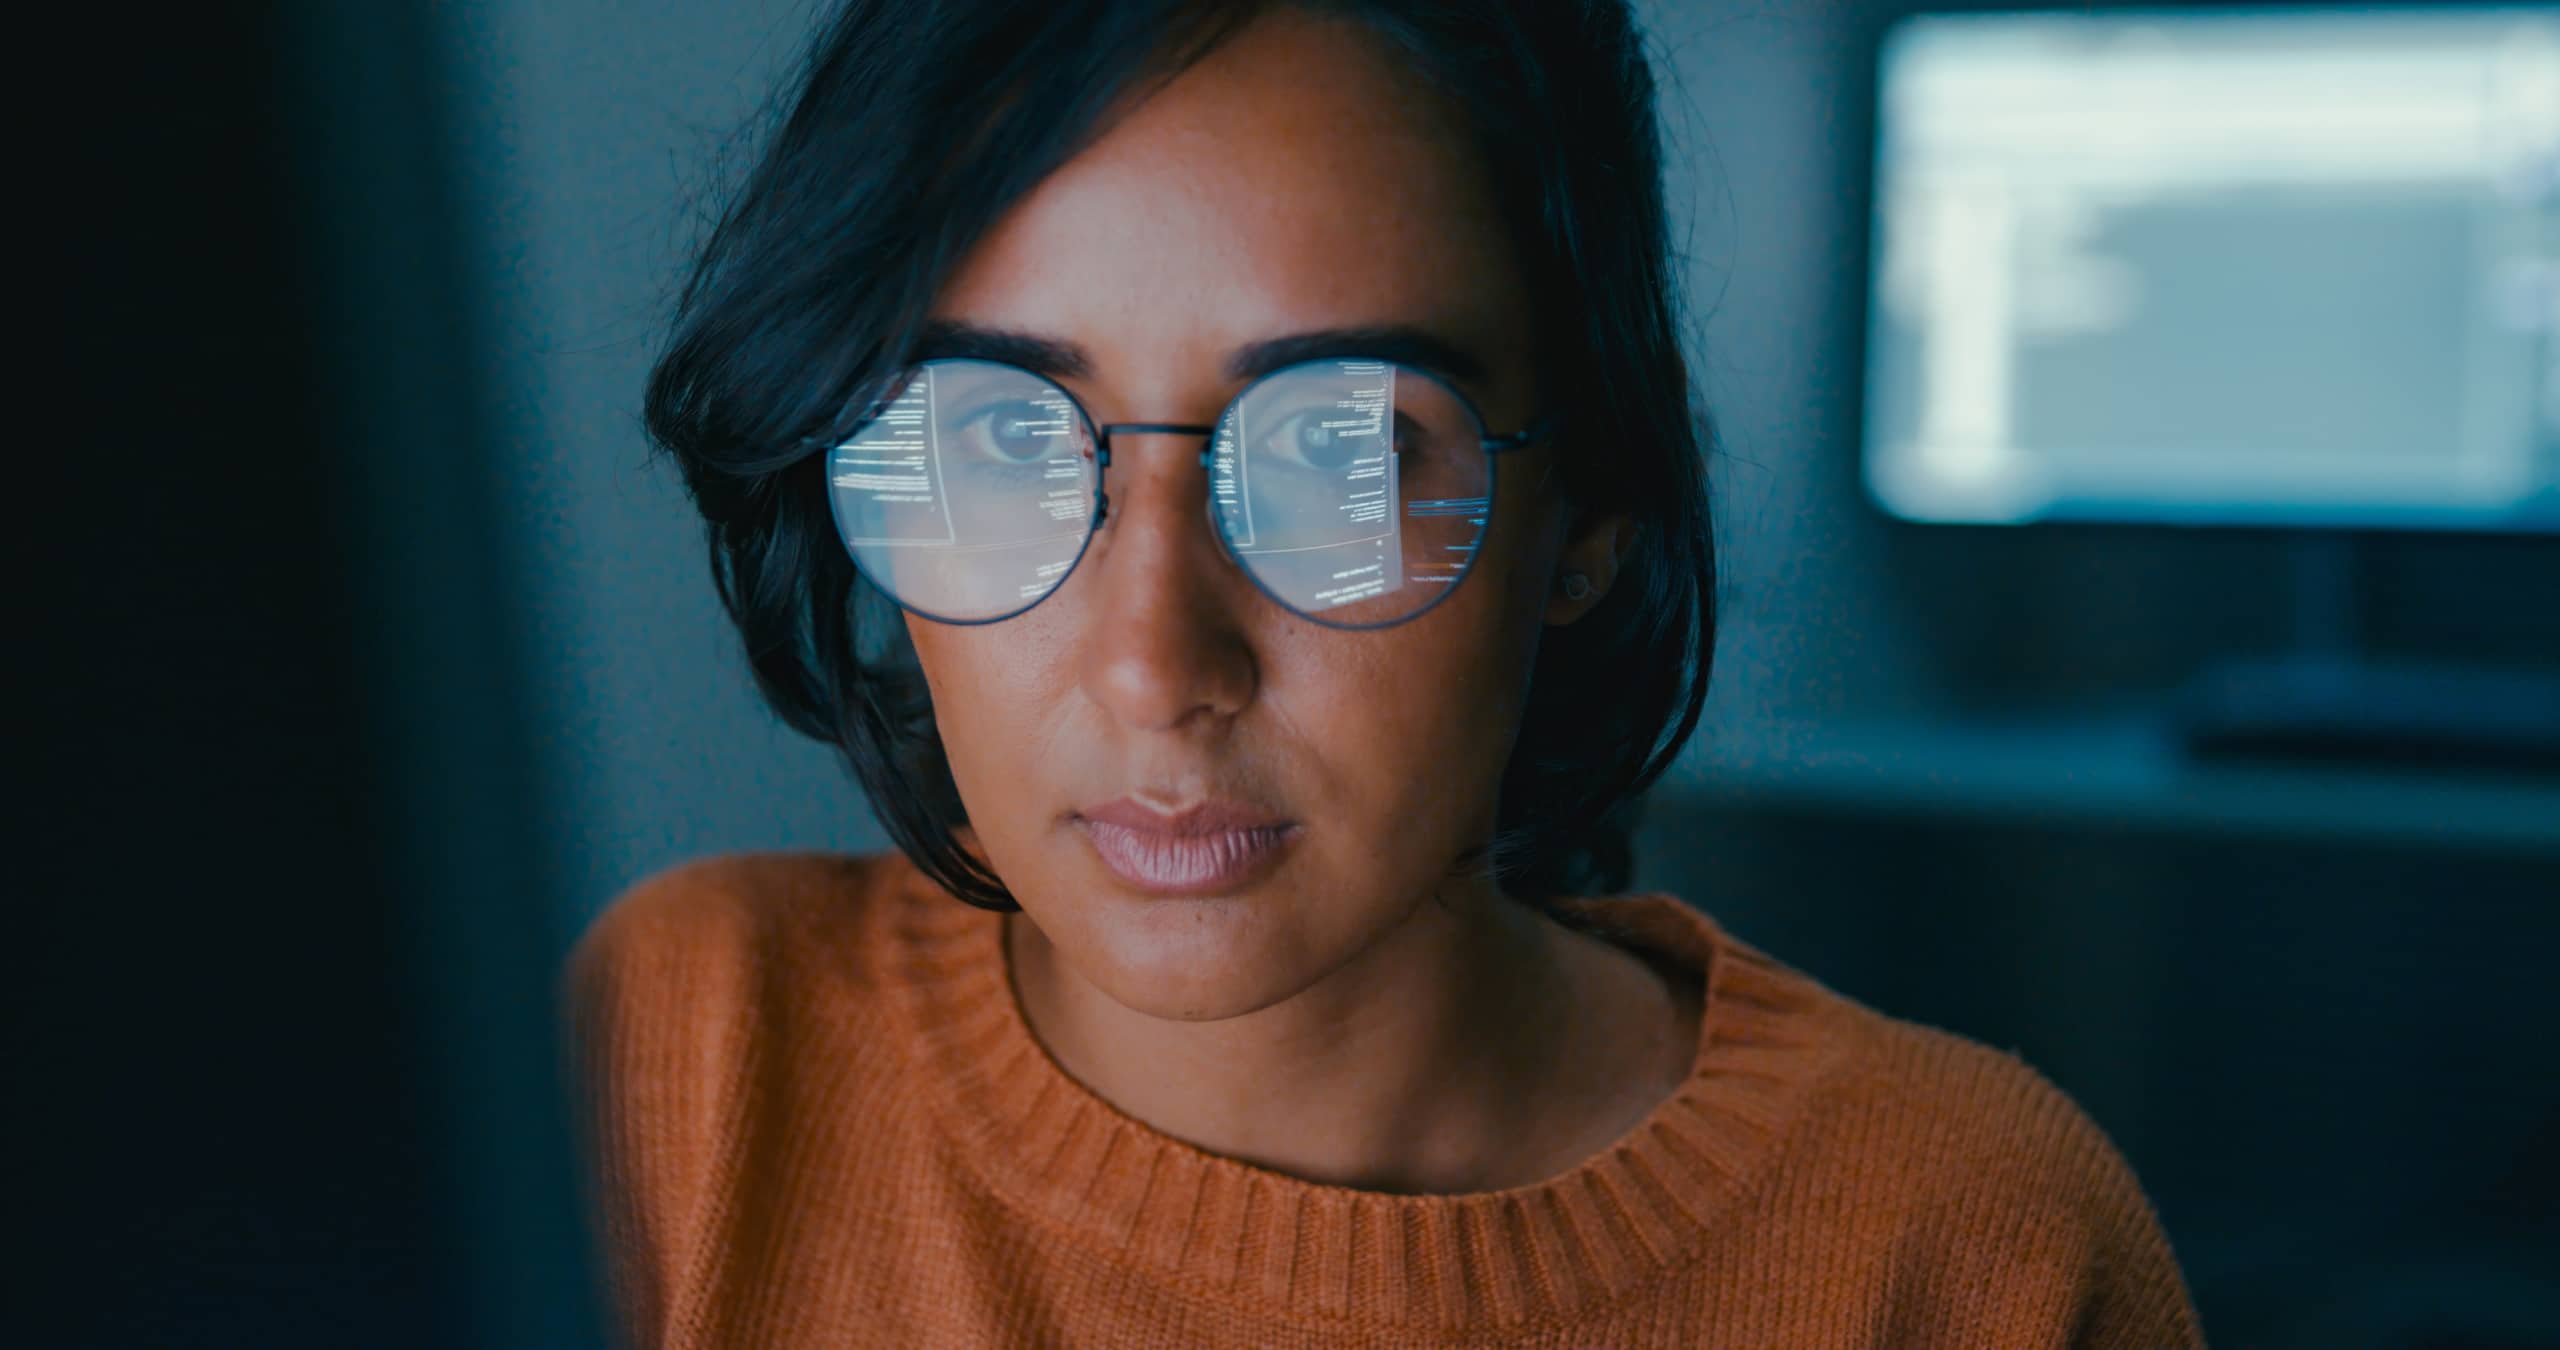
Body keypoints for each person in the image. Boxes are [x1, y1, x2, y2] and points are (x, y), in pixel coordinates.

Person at [561, 2, 2205, 1344]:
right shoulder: (675, 1069)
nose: (1154, 666)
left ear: (1592, 513)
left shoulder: (1973, 1252)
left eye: (1342, 453)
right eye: (993, 436)